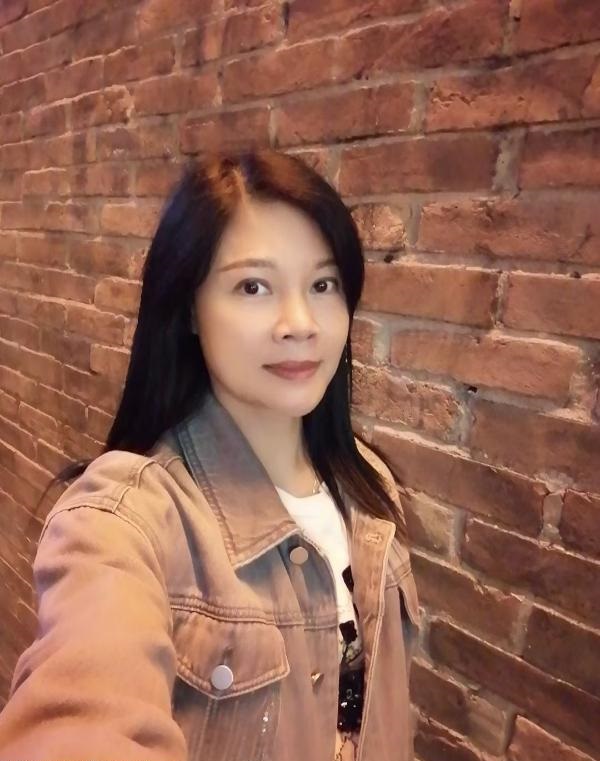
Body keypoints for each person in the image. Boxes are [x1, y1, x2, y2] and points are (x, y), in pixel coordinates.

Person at [0, 149, 420, 761]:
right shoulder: (126, 518)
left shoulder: (368, 483)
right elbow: (82, 711)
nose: (300, 322)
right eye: (253, 286)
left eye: (322, 284)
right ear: (190, 309)